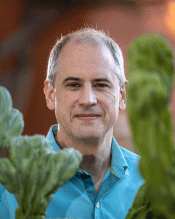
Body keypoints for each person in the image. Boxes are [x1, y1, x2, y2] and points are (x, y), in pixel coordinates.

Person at [0, 28, 144, 219]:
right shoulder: (7, 188)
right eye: (73, 85)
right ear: (50, 94)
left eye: (101, 84)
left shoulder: (152, 183)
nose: (87, 100)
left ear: (122, 96)